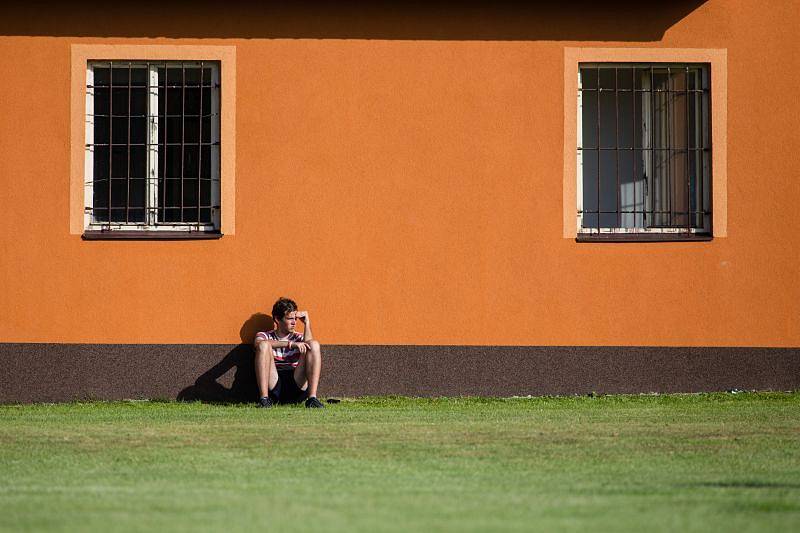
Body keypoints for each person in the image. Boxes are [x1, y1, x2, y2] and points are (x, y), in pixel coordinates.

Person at [253, 297, 325, 408]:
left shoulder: (299, 336)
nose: (294, 322)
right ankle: (264, 400)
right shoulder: (265, 335)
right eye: (290, 319)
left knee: (313, 344)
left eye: (295, 319)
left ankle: (312, 399)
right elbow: (258, 344)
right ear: (277, 319)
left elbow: (311, 346)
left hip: (296, 382)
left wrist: (307, 323)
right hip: (274, 382)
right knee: (264, 345)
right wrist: (290, 344)